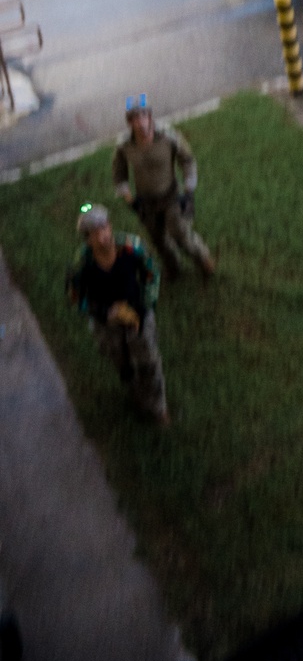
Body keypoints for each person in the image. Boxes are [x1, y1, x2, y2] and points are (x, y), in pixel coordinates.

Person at [66, 203, 169, 424]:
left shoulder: (132, 248)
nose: (103, 236)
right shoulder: (81, 264)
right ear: (87, 239)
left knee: (149, 362)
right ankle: (135, 394)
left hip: (137, 317)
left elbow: (151, 273)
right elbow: (74, 297)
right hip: (106, 324)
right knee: (122, 364)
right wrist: (103, 312)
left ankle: (159, 408)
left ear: (110, 226)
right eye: (95, 233)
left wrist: (144, 306)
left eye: (105, 228)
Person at [112, 95, 215, 281]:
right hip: (146, 202)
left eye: (144, 115)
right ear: (130, 123)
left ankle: (203, 260)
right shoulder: (124, 146)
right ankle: (172, 266)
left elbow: (187, 160)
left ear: (150, 117)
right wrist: (131, 200)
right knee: (158, 239)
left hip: (171, 196)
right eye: (135, 118)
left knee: (180, 234)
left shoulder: (168, 136)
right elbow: (119, 176)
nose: (141, 122)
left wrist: (189, 190)